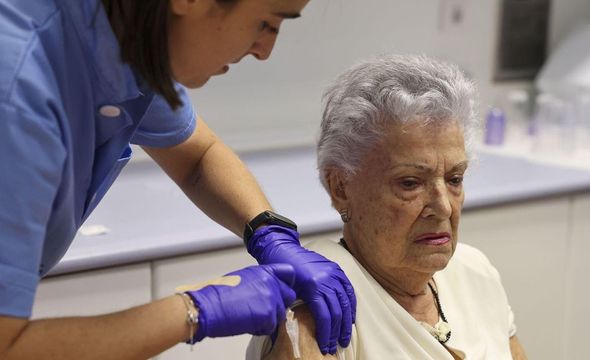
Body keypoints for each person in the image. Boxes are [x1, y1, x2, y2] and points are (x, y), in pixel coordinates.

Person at [0, 0, 356, 358]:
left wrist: (268, 232)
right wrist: (194, 310)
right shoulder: (17, 95)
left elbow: (197, 158)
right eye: (266, 24)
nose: (264, 51)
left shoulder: (126, 42)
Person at [247, 54, 528, 359]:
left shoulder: (475, 272)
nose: (443, 207)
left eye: (454, 178)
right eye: (409, 183)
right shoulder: (320, 306)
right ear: (340, 186)